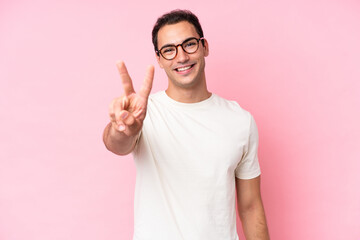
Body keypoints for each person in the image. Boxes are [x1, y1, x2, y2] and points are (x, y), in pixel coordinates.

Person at [103, 9, 270, 240]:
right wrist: (123, 129)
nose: (181, 57)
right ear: (159, 59)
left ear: (205, 47)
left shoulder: (240, 120)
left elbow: (251, 207)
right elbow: (116, 144)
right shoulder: (144, 113)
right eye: (169, 50)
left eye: (189, 44)